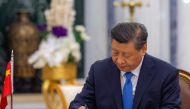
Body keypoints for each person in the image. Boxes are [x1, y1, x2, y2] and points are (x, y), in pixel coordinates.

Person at [69, 22, 181, 109]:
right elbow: (80, 101)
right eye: (115, 53)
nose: (120, 60)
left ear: (143, 49)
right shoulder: (99, 70)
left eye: (126, 55)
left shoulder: (166, 74)